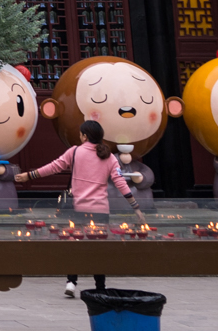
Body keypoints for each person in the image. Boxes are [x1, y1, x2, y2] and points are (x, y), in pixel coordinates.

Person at [16, 117, 135, 299]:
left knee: (74, 244)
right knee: (98, 250)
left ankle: (71, 282)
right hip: (101, 211)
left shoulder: (75, 152)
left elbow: (53, 167)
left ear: (85, 136)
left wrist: (29, 176)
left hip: (77, 210)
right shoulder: (109, 157)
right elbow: (120, 181)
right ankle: (100, 288)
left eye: (81, 134)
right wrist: (135, 206)